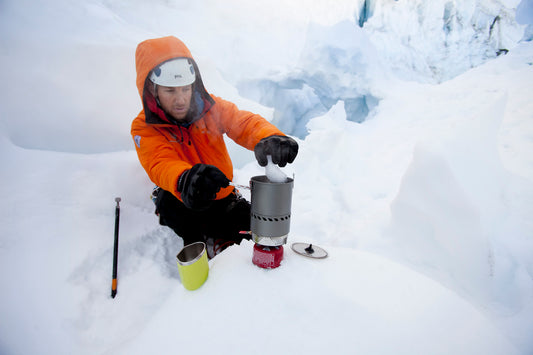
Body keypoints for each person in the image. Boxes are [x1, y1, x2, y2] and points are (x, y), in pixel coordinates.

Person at [131, 36, 298, 258]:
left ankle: (223, 237)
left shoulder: (210, 108)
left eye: (185, 89)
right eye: (170, 91)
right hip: (182, 196)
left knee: (252, 228)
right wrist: (184, 178)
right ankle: (200, 240)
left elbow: (242, 123)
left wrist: (270, 137)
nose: (180, 99)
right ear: (153, 90)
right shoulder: (144, 127)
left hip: (222, 195)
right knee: (173, 207)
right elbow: (159, 162)